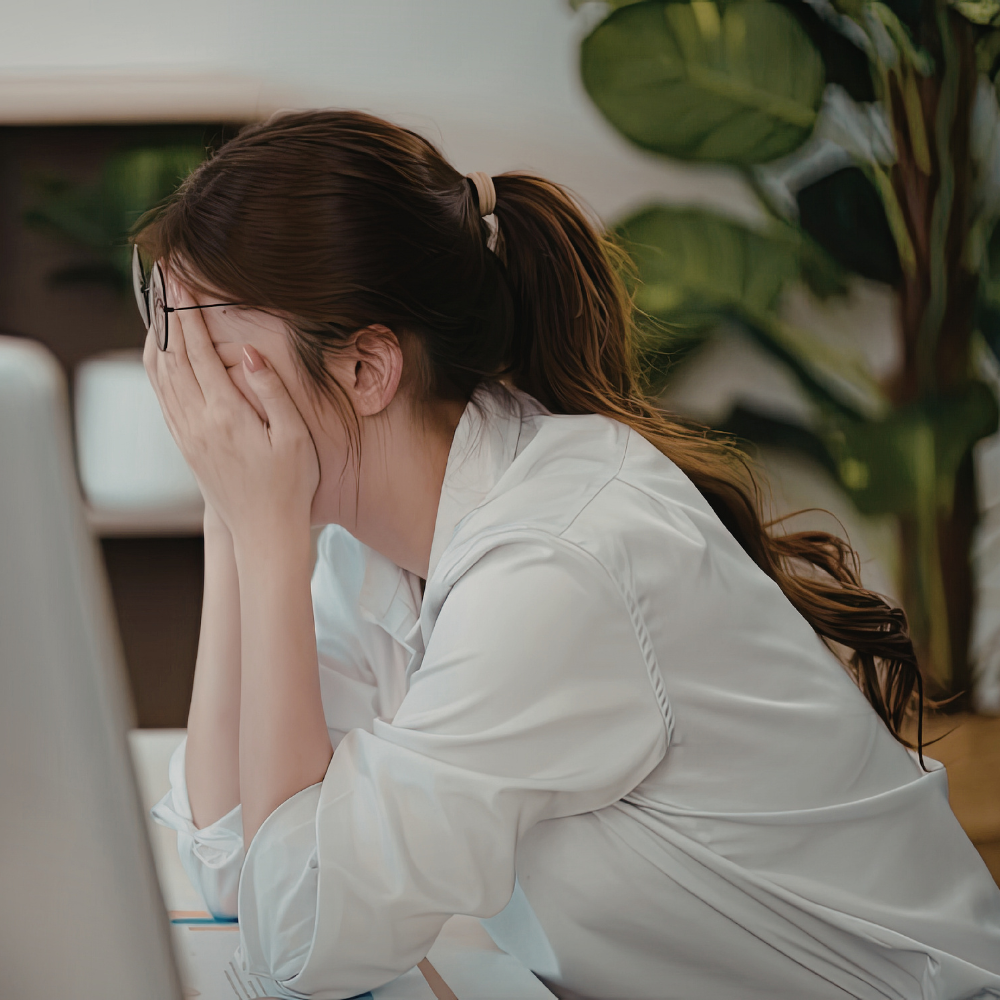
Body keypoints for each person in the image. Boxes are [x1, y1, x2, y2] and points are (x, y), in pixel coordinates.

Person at [142, 110, 1000, 1000]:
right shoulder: (386, 544)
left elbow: (297, 938)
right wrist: (231, 514)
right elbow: (238, 870)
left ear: (367, 370)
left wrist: (267, 537)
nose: (182, 374)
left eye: (208, 341)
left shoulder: (555, 564)